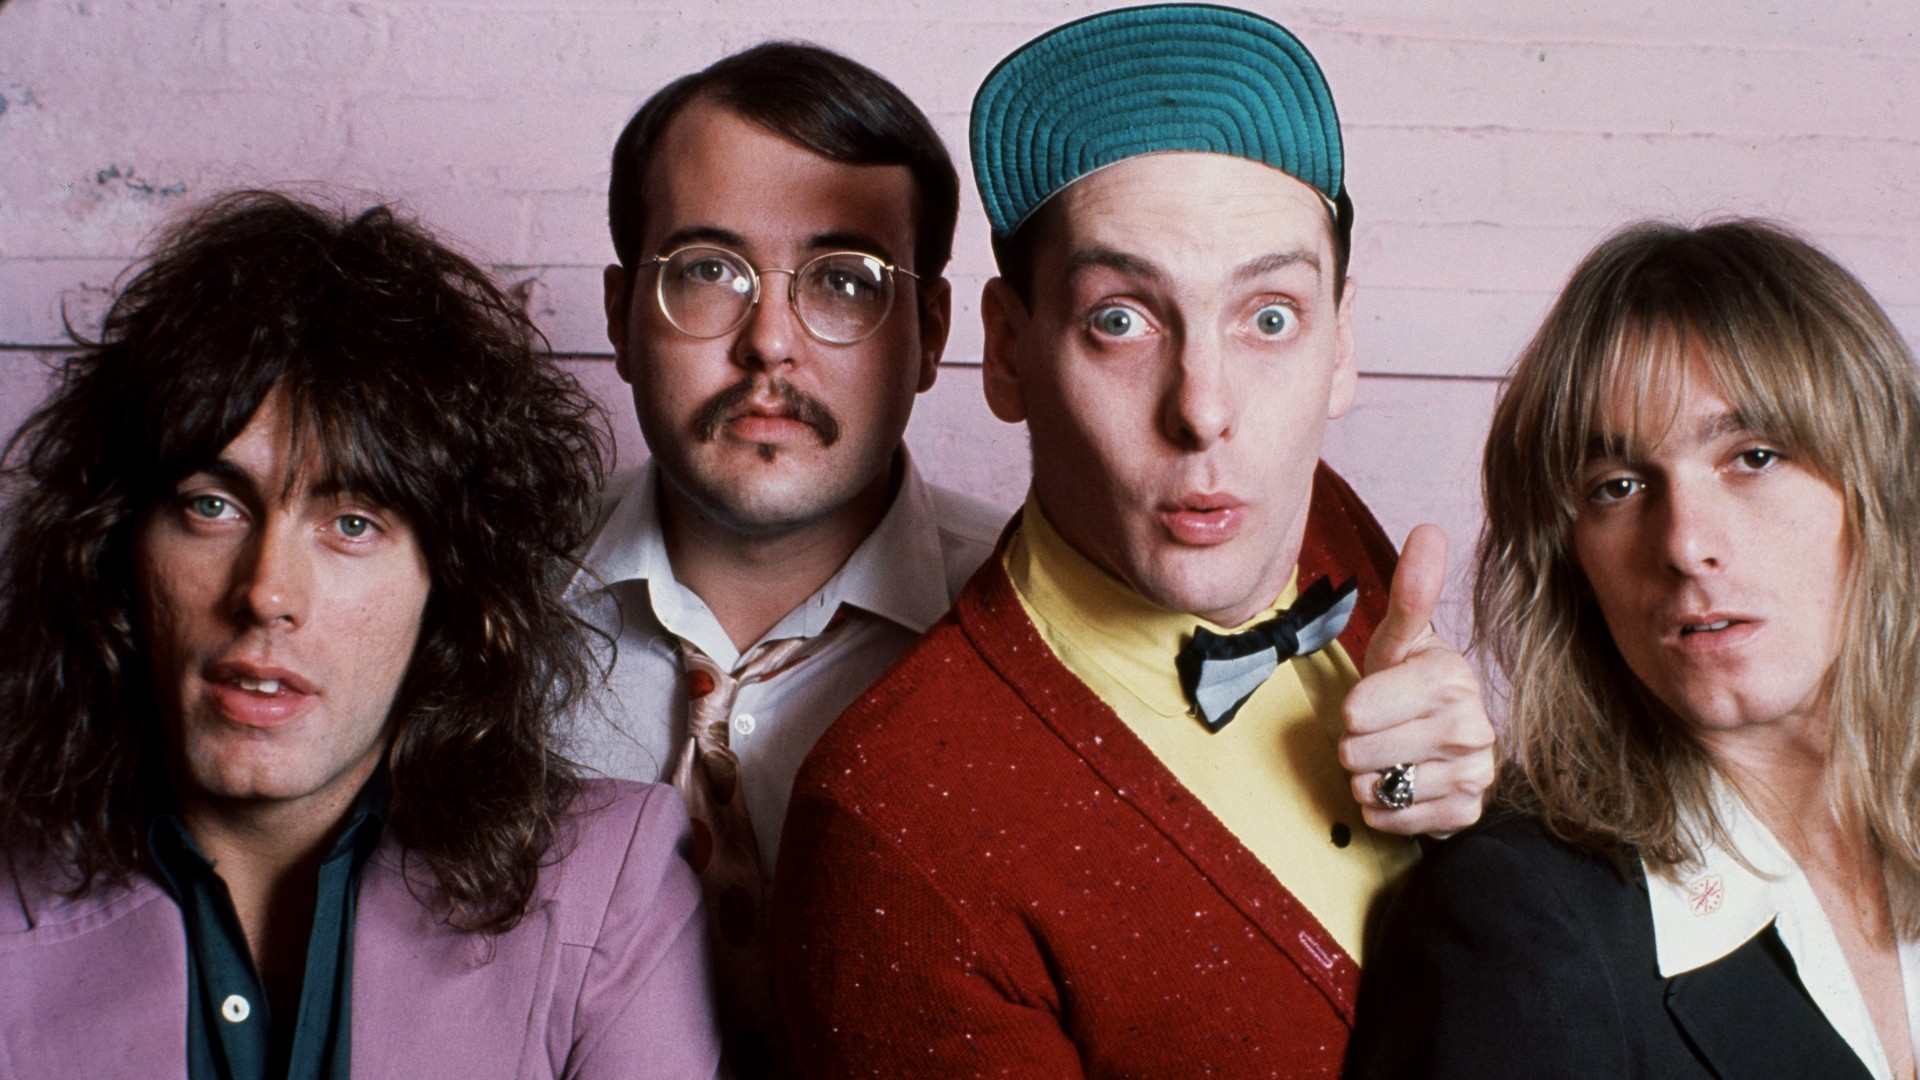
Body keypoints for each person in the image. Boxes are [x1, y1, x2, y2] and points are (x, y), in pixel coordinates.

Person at [772, 7, 1498, 1074]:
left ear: (1342, 347)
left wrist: (1470, 820)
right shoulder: (892, 829)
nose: (1204, 410)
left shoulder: (1324, 521)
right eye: (1121, 319)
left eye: (1270, 318)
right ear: (1008, 352)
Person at [0, 190, 720, 1078]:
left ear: (448, 584)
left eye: (352, 524)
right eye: (212, 505)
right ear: (120, 546)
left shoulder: (608, 888)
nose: (266, 593)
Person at [1345, 219, 1920, 1079]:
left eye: (1754, 457)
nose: (1685, 544)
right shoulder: (1521, 922)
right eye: (1617, 487)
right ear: (1573, 563)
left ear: (1879, 489)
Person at [571, 41, 1004, 1073]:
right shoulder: (468, 605)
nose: (770, 341)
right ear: (619, 318)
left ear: (930, 332)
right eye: (708, 271)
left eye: (846, 281)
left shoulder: (1035, 628)